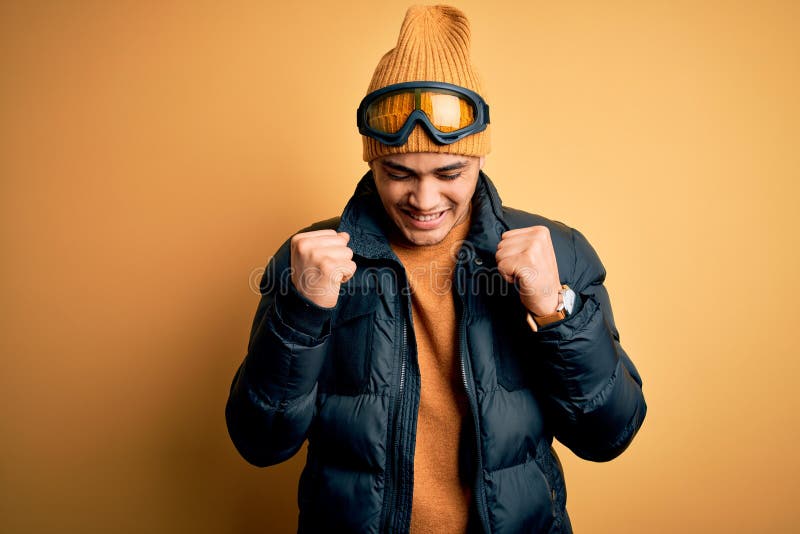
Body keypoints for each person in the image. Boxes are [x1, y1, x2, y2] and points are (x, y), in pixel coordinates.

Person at [225, 5, 646, 534]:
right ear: (370, 162)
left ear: (481, 158)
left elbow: (609, 435)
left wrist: (555, 306)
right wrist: (301, 314)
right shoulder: (309, 258)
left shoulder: (555, 251)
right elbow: (259, 444)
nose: (424, 199)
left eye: (449, 172)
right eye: (398, 172)